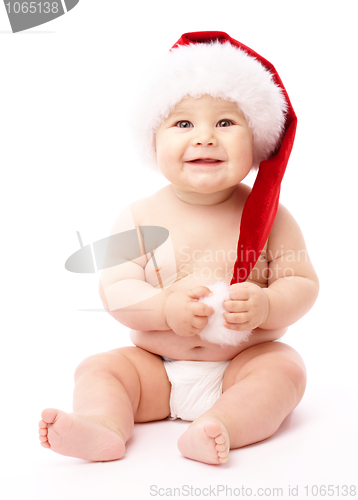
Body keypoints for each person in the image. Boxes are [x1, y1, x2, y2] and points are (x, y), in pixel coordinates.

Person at [38, 31, 319, 465]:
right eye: (183, 123)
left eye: (225, 123)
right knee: (100, 368)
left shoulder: (273, 216)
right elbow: (116, 289)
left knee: (285, 370)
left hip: (241, 366)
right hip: (156, 367)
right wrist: (164, 309)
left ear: (259, 140)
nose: (205, 137)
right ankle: (104, 426)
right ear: (153, 140)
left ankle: (222, 425)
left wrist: (266, 305)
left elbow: (301, 282)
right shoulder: (138, 217)